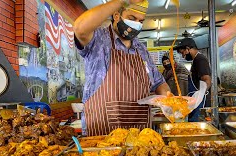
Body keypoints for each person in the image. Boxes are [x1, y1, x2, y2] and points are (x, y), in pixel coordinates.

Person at [73, 0, 171, 136]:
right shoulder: (98, 40)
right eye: (132, 18)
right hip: (102, 130)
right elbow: (80, 28)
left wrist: (170, 101)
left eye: (140, 21)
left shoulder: (141, 49)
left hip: (139, 133)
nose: (136, 24)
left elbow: (159, 83)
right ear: (117, 15)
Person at [174, 38, 212, 122]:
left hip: (201, 104)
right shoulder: (195, 60)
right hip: (195, 102)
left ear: (188, 49)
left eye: (183, 52)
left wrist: (199, 96)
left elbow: (207, 80)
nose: (183, 56)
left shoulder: (200, 60)